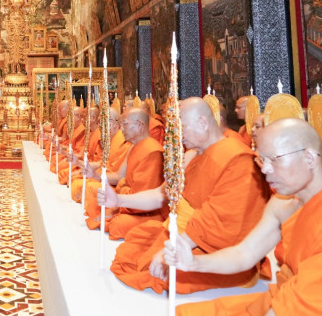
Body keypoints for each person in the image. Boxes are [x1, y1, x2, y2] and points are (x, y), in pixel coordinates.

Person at [104, 97, 270, 294]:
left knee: (163, 274)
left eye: (182, 127)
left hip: (219, 252)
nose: (178, 135)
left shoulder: (238, 161)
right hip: (187, 235)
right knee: (136, 244)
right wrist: (119, 200)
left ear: (203, 123)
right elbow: (162, 194)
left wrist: (174, 249)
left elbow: (214, 220)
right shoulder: (194, 154)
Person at [166, 118, 322, 315]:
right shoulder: (281, 204)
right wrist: (193, 263)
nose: (264, 169)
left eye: (274, 159)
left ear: (309, 158)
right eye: (262, 160)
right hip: (287, 298)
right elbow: (244, 254)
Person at [84, 108, 164, 237]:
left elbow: (145, 196)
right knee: (96, 204)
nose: (121, 128)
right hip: (127, 199)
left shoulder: (153, 151)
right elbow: (118, 176)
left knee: (118, 224)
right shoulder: (133, 147)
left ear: (140, 125)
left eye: (125, 124)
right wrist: (94, 175)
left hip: (144, 209)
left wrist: (119, 201)